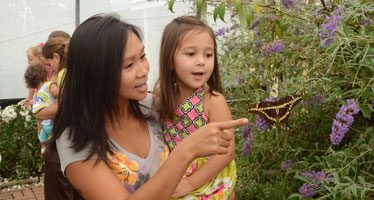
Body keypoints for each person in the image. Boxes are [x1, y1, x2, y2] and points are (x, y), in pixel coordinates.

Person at [52, 14, 248, 200]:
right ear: (97, 75)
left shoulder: (154, 107)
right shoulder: (75, 140)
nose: (144, 70)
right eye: (129, 65)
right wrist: (186, 151)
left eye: (143, 56)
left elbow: (223, 159)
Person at [154, 16, 237, 199]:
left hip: (210, 179)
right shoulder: (161, 98)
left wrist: (190, 183)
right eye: (191, 54)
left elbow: (227, 152)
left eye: (208, 55)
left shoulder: (213, 100)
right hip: (176, 176)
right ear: (169, 61)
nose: (201, 61)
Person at [39, 36, 78, 200]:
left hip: (64, 141)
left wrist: (40, 112)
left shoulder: (63, 75)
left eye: (49, 64)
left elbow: (61, 104)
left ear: (56, 57)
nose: (50, 69)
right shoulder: (74, 72)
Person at [24, 63, 58, 143]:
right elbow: (57, 93)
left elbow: (33, 102)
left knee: (44, 142)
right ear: (46, 76)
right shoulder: (48, 85)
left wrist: (29, 102)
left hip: (44, 127)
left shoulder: (36, 95)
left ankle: (44, 147)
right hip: (54, 124)